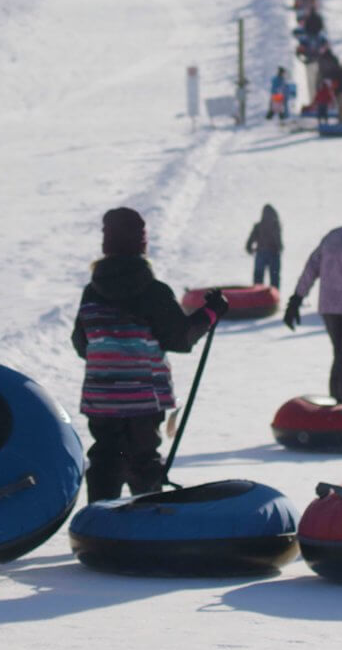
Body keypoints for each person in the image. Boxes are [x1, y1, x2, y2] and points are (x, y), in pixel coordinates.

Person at [70, 207, 228, 502]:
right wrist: (211, 312)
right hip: (142, 402)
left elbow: (82, 344)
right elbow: (181, 338)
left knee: (106, 460)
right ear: (142, 243)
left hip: (101, 400)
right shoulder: (153, 291)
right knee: (143, 462)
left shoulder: (92, 292)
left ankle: (100, 529)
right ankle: (147, 530)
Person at [284, 204, 342, 402]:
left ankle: (338, 405)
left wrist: (296, 299)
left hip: (330, 307)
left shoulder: (333, 237)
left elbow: (311, 267)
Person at [245, 205, 283, 289]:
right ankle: (274, 297)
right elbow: (278, 241)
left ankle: (257, 296)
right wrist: (280, 248)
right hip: (273, 254)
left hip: (261, 253)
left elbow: (249, 242)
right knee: (274, 280)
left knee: (258, 279)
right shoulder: (275, 225)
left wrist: (249, 249)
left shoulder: (258, 226)